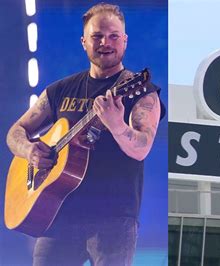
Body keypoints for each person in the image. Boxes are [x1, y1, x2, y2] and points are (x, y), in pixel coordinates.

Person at [6, 3, 165, 266]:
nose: (106, 42)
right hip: (56, 216)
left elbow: (141, 148)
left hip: (113, 220)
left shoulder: (141, 91)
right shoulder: (59, 90)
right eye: (97, 36)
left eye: (114, 36)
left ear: (125, 41)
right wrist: (30, 151)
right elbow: (15, 132)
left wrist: (116, 124)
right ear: (84, 42)